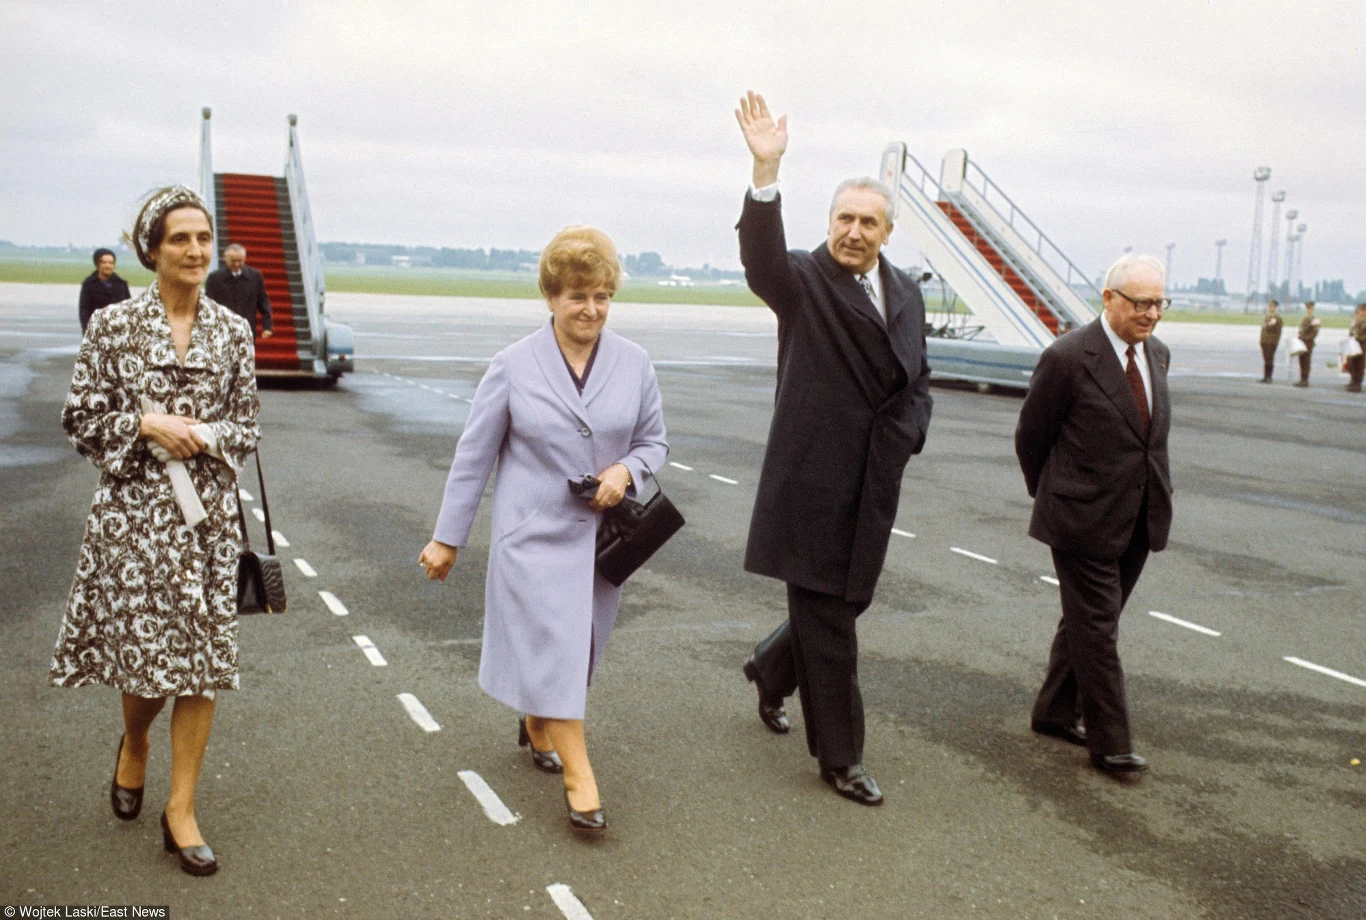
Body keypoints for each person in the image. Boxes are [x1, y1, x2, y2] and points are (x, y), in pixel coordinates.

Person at [419, 226, 668, 833]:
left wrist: (625, 470)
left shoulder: (634, 363)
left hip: (604, 541)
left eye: (602, 296)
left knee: (579, 648)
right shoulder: (512, 365)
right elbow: (473, 456)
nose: (591, 309)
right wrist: (447, 537)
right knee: (555, 645)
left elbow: (653, 442)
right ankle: (580, 776)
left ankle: (537, 722)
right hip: (530, 538)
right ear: (551, 297)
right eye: (578, 296)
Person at [49, 186, 262, 876]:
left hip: (206, 522)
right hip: (133, 518)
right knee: (146, 664)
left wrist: (198, 432)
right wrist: (143, 425)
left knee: (200, 665)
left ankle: (182, 809)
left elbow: (248, 427)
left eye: (203, 237)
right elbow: (79, 418)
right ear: (151, 249)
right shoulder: (112, 327)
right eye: (181, 239)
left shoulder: (233, 331)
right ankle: (134, 741)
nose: (197, 250)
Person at [733, 92, 933, 807]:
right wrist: (765, 172)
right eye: (843, 219)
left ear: (887, 232)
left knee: (844, 605)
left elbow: (917, 376)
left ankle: (770, 667)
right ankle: (841, 758)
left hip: (873, 484)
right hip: (812, 484)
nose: (853, 231)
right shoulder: (804, 281)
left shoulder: (906, 291)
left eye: (868, 222)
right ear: (829, 223)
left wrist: (911, 434)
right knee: (833, 627)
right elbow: (761, 263)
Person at [1015, 253, 1173, 776]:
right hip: (1080, 519)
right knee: (1099, 631)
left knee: (1088, 622)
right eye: (1140, 303)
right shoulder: (1067, 357)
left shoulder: (1159, 355)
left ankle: (1055, 711)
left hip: (1138, 517)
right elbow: (1031, 437)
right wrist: (1059, 498)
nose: (1150, 314)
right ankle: (1111, 743)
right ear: (1108, 299)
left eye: (1158, 303)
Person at [205, 243, 273, 340]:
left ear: (244, 259)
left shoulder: (255, 277)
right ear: (225, 258)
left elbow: (263, 302)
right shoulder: (214, 278)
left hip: (246, 330)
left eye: (240, 261)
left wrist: (267, 326)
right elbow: (208, 305)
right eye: (233, 261)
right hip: (223, 331)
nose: (236, 264)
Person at [78, 248, 132, 332]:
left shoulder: (121, 284)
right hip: (96, 330)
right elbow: (84, 310)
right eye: (104, 262)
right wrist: (88, 331)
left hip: (118, 331)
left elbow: (129, 309)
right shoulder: (89, 284)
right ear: (97, 264)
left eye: (111, 263)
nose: (108, 265)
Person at [1294, 301, 1321, 387]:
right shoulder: (1305, 317)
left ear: (1313, 309)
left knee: (1306, 361)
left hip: (1308, 342)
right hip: (1302, 341)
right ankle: (1302, 379)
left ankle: (1305, 380)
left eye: (1310, 308)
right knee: (1301, 361)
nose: (1309, 310)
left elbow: (1315, 332)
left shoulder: (1315, 319)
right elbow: (1302, 329)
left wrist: (1307, 338)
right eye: (1307, 308)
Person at [1258, 299, 1282, 382]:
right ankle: (1265, 376)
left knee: (1269, 359)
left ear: (1275, 307)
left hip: (1271, 342)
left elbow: (1270, 328)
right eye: (1269, 306)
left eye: (1272, 306)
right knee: (1266, 360)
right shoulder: (1267, 317)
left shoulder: (1276, 318)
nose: (1270, 308)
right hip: (1265, 341)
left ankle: (1269, 377)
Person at [1346, 303, 1366, 393]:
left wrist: (1359, 338)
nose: (1361, 312)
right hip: (1353, 344)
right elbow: (1352, 331)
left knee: (1359, 365)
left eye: (1363, 310)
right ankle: (1353, 382)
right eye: (1360, 310)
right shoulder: (1356, 319)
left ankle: (1358, 384)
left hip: (1362, 344)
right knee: (1353, 364)